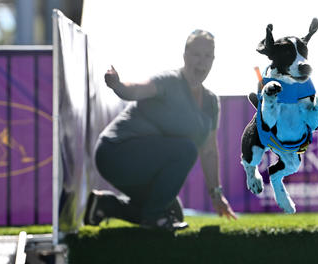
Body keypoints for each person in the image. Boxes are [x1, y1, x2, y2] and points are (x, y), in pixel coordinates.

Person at [83, 29, 237, 231]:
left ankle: (106, 206)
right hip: (115, 153)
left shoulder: (211, 102)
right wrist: (119, 85)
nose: (202, 61)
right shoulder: (169, 81)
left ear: (213, 60)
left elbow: (209, 151)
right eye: (196, 54)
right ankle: (152, 216)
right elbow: (137, 88)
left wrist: (216, 195)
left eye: (208, 56)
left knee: (173, 213)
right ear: (185, 56)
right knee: (186, 150)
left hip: (142, 165)